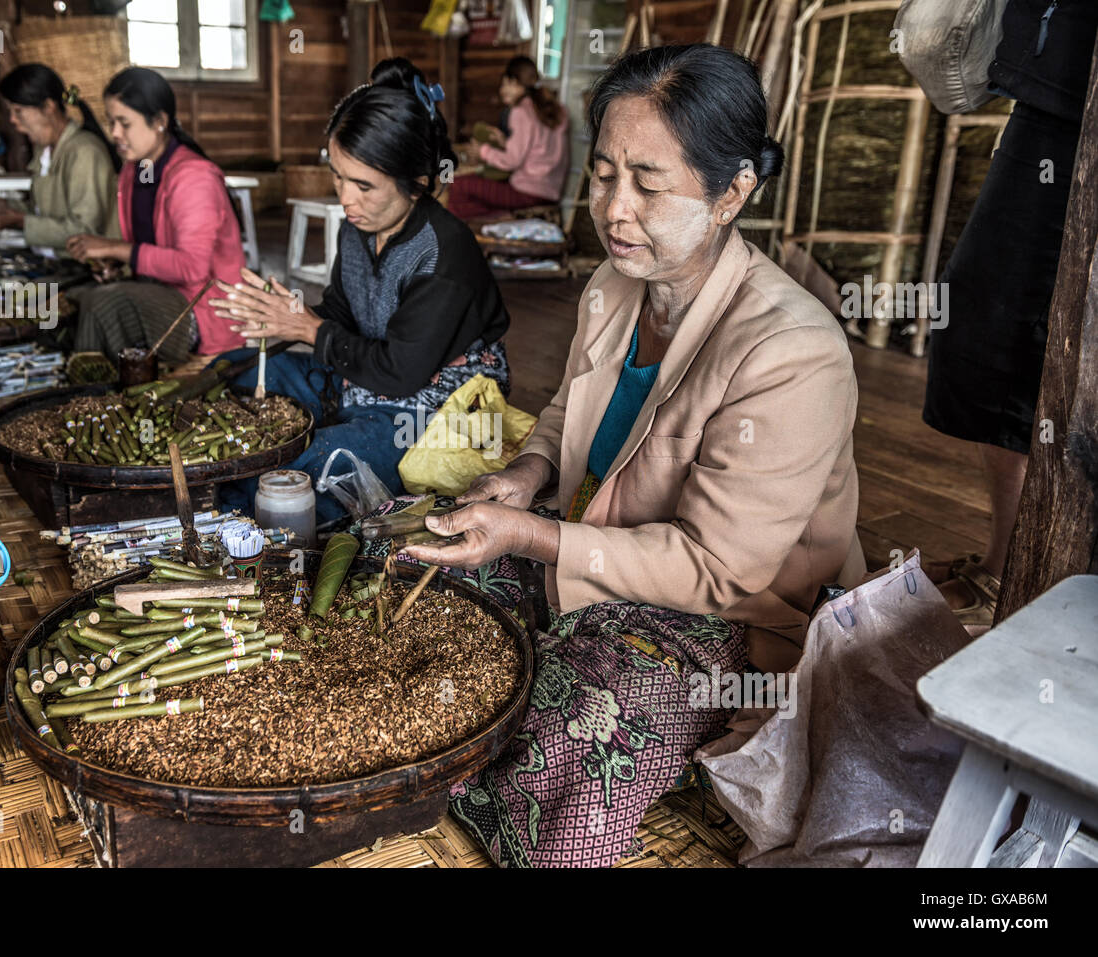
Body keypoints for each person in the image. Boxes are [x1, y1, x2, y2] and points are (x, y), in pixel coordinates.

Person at [401, 44, 866, 868]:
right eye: (605, 174)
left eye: (649, 185)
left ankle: (506, 792)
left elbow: (719, 569)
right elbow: (566, 408)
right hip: (589, 542)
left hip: (725, 617)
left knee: (596, 702)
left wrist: (533, 535)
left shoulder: (792, 350)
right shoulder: (615, 287)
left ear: (731, 193)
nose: (614, 208)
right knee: (408, 555)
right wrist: (528, 474)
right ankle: (450, 755)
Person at [209, 58, 511, 526]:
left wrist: (310, 329)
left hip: (430, 402)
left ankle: (228, 508)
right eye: (338, 176)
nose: (345, 198)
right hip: (362, 369)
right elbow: (340, 311)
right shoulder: (357, 230)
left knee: (321, 467)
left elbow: (399, 373)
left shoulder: (443, 253)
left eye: (363, 185)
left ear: (417, 182)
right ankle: (222, 481)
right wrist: (286, 317)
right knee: (229, 373)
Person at [922, 0, 1098, 634]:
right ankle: (1015, 564)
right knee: (984, 320)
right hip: (1058, 90)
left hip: (1078, 98)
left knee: (1005, 329)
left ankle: (1027, 577)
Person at [64, 67, 246, 363]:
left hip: (204, 312)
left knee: (104, 304)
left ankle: (93, 392)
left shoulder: (193, 179)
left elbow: (191, 268)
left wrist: (115, 249)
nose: (114, 134)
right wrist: (115, 264)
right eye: (111, 123)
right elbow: (147, 247)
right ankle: (113, 385)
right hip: (159, 294)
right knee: (77, 294)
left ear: (159, 121)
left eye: (124, 123)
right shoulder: (136, 171)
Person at [0, 64, 117, 255]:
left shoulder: (85, 152)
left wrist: (19, 220)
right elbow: (43, 212)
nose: (12, 119)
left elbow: (85, 231)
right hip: (50, 263)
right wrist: (2, 207)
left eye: (18, 111)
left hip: (84, 272)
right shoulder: (45, 150)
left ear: (48, 107)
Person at [448, 56, 569, 220]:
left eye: (506, 83)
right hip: (551, 191)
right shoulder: (555, 108)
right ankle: (500, 217)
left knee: (457, 185)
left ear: (517, 83)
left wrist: (483, 151)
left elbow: (511, 161)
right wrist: (505, 142)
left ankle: (487, 226)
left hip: (527, 191)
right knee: (479, 188)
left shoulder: (521, 111)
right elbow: (537, 149)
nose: (502, 90)